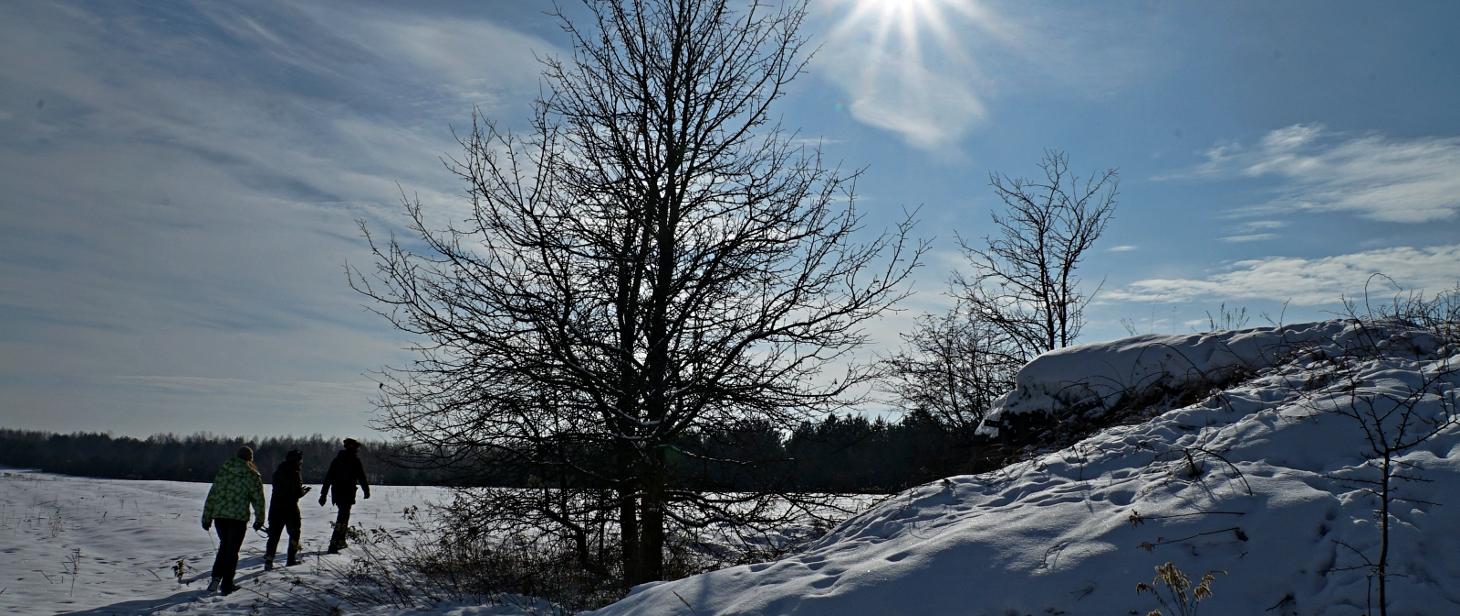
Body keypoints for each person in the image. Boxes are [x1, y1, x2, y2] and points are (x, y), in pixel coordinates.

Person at [201, 446, 266, 595]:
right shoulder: (252, 475)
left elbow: (213, 495)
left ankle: (216, 579)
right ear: (250, 459)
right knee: (232, 551)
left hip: (220, 518)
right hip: (238, 518)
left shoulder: (224, 472)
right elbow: (258, 500)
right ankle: (227, 584)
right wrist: (260, 519)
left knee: (224, 546)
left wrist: (206, 517)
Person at [318, 437, 370, 553]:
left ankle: (341, 541)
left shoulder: (337, 460)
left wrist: (323, 495)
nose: (357, 450)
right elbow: (362, 477)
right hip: (346, 494)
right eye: (356, 448)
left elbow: (328, 478)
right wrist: (366, 491)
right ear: (352, 448)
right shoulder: (354, 460)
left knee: (343, 518)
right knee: (342, 519)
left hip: (338, 494)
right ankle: (333, 545)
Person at [263, 449, 310, 571]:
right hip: (290, 509)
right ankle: (291, 559)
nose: (302, 462)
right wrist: (304, 491)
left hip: (275, 509)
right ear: (297, 460)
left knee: (273, 536)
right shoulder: (295, 473)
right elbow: (297, 493)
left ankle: (269, 560)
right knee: (295, 534)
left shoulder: (278, 472)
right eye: (300, 460)